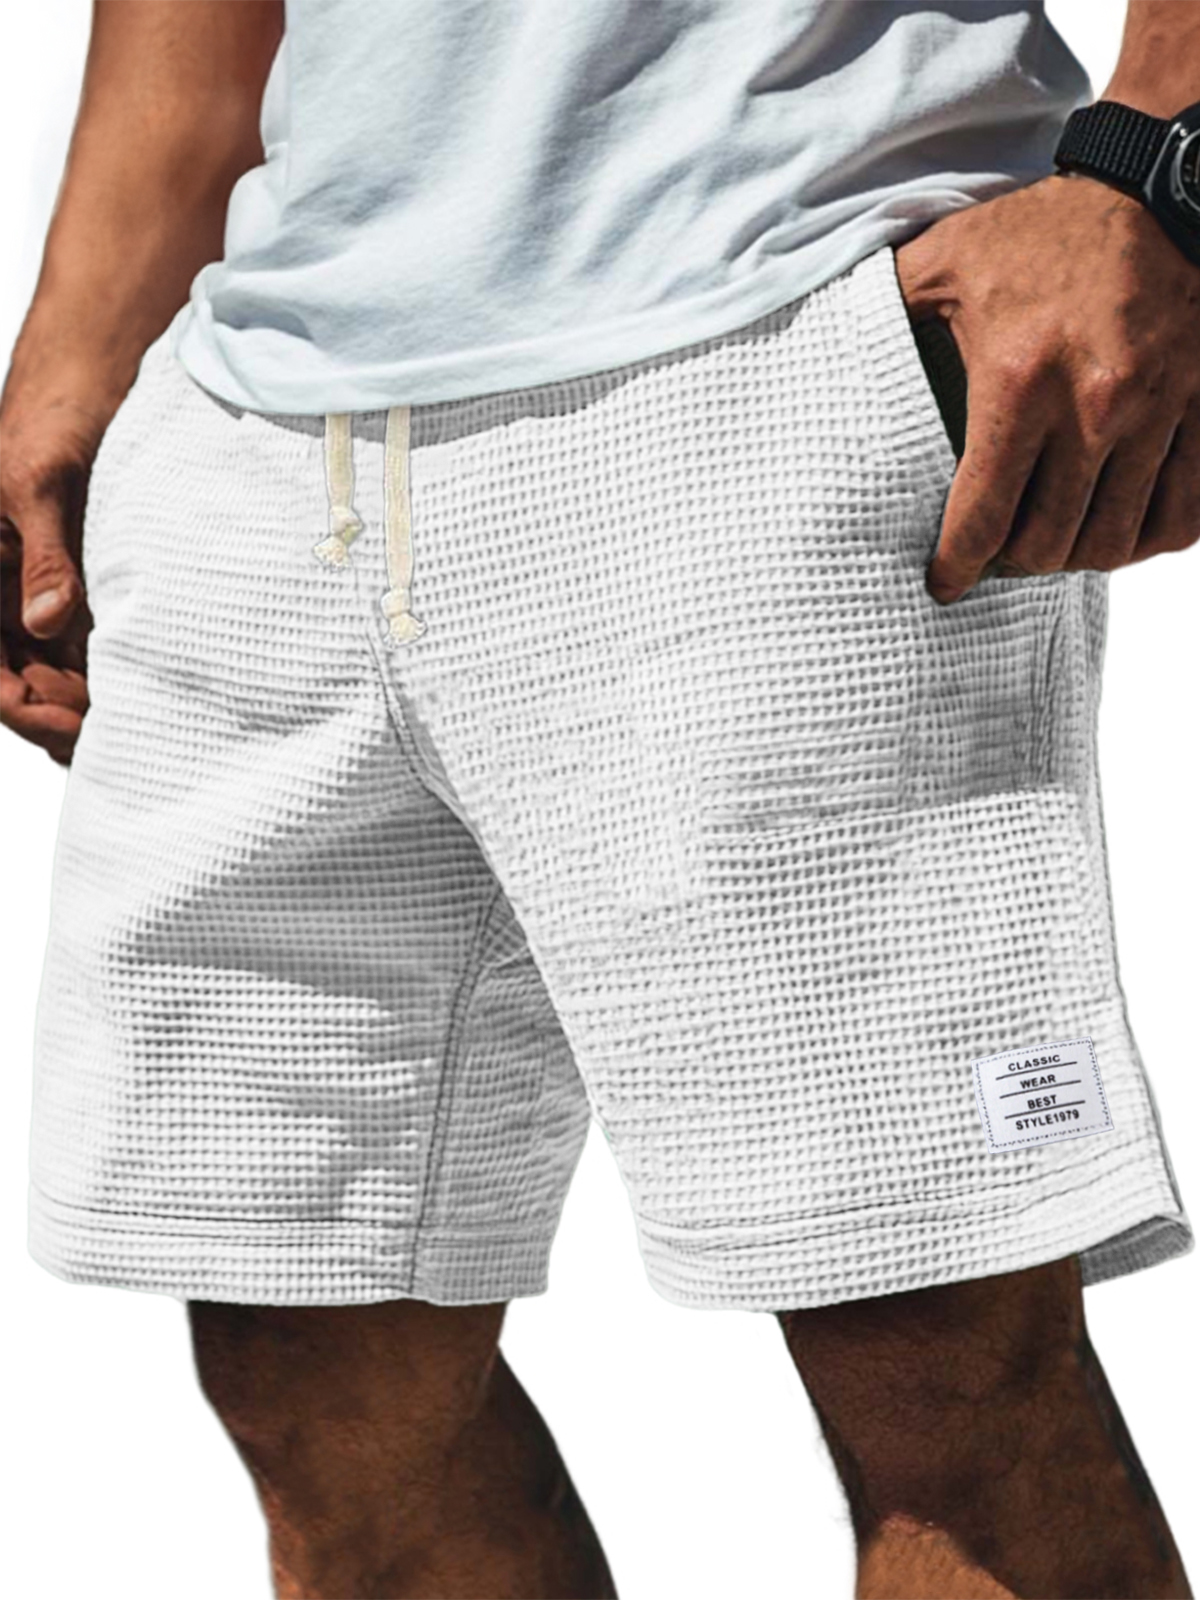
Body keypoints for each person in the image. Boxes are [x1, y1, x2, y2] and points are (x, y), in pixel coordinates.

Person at [2, 0, 1197, 1595]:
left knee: (935, 1351)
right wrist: (76, 358)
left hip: (772, 323)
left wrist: (1161, 165)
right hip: (266, 420)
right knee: (312, 1356)